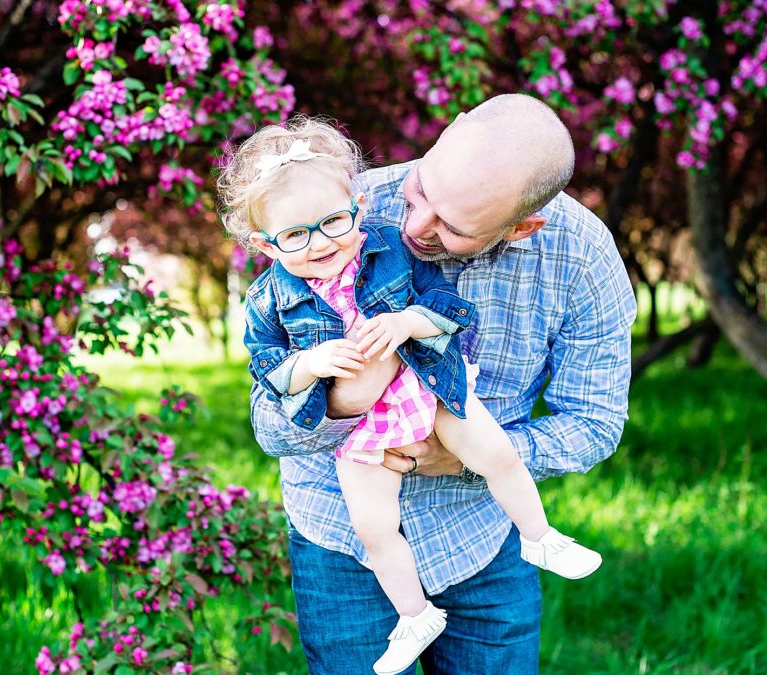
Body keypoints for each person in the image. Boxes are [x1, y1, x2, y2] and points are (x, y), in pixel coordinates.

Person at [249, 94, 636, 674]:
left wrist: (457, 458)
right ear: (448, 132)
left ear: (522, 226)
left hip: (481, 529)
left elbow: (595, 424)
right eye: (422, 191)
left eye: (451, 228)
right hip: (341, 532)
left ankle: (542, 538)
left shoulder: (581, 257)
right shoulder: (330, 205)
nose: (413, 226)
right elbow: (266, 422)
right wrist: (341, 400)